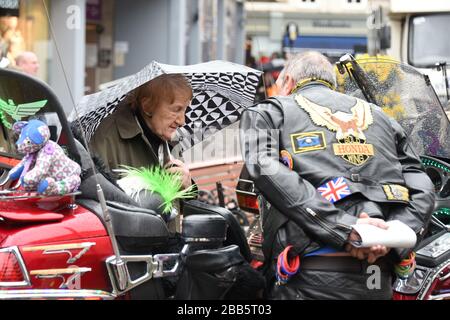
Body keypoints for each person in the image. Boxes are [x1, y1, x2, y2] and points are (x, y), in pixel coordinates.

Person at [239, 51, 435, 299]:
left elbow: (263, 168)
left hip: (307, 278)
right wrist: (390, 236)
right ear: (332, 83)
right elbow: (422, 184)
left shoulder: (269, 112)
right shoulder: (381, 116)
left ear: (288, 81)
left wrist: (346, 230)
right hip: (378, 276)